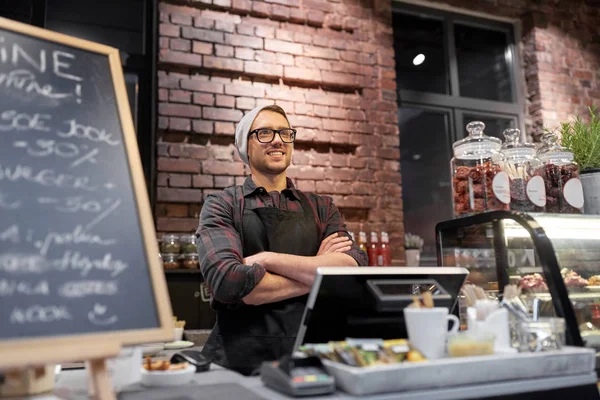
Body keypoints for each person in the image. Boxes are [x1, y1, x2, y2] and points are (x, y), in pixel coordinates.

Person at [196, 104, 368, 375]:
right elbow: (229, 282)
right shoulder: (223, 204)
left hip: (312, 357)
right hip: (240, 362)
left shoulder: (321, 207)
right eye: (264, 133)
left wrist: (268, 260)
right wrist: (321, 272)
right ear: (246, 146)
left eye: (285, 133)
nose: (277, 140)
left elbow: (353, 270)